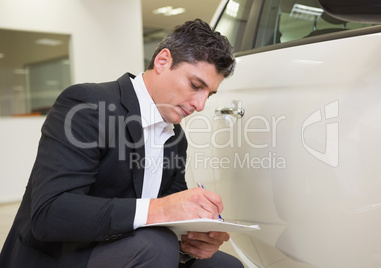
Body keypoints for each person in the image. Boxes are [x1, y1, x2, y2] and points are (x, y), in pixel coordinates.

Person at [0, 19, 242, 267]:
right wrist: (160, 209)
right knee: (155, 247)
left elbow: (171, 220)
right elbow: (50, 214)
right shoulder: (86, 105)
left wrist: (193, 239)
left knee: (225, 265)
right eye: (195, 85)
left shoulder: (176, 138)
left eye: (208, 94)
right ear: (162, 61)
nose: (200, 105)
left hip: (135, 248)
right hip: (63, 255)